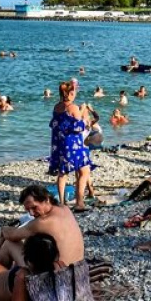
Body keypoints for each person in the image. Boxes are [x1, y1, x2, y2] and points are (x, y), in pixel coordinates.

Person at [48, 82, 93, 212]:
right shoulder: (73, 108)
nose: (75, 95)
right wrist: (83, 110)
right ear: (69, 94)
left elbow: (54, 124)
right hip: (73, 144)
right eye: (74, 93)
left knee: (63, 173)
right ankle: (79, 202)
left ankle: (62, 203)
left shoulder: (57, 107)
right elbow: (79, 127)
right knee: (84, 171)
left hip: (60, 144)